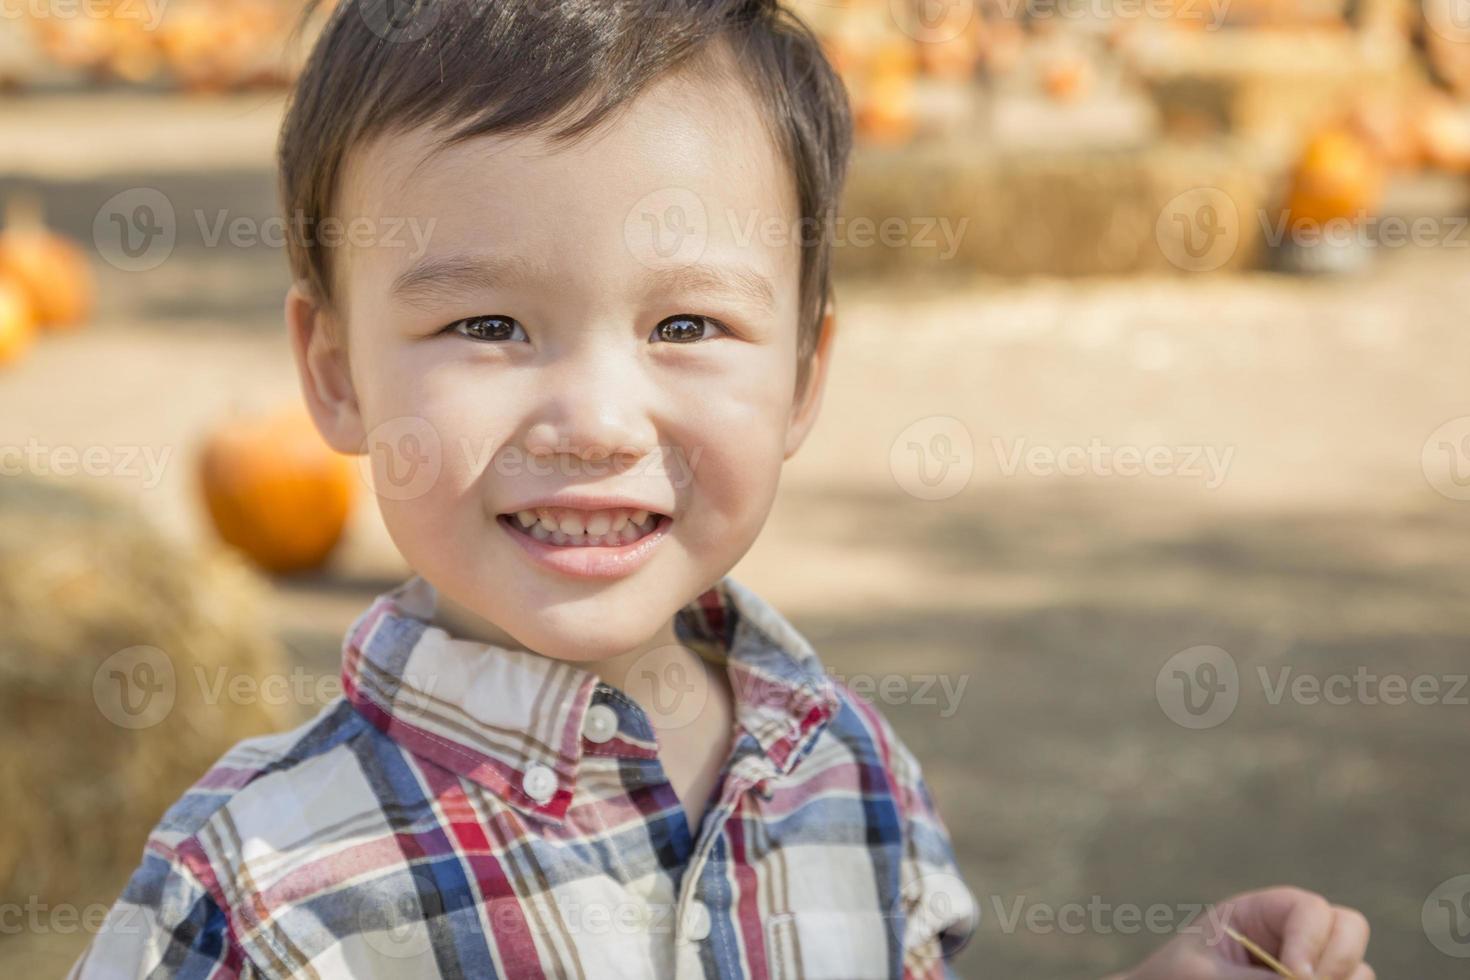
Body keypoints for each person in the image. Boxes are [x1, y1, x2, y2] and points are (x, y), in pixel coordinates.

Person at [70, 1, 1374, 977]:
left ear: (803, 374)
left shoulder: (847, 772)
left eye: (686, 327)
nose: (591, 420)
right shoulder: (261, 883)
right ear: (336, 371)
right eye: (487, 325)